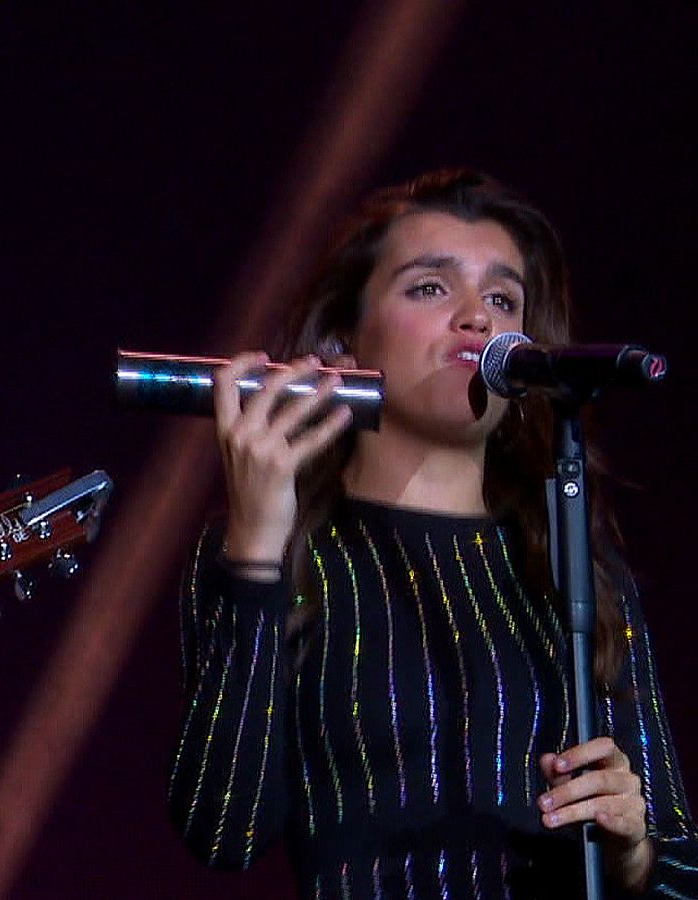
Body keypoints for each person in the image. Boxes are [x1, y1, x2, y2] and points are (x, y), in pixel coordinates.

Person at [167, 168, 696, 897]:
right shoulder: (289, 555)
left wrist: (632, 849)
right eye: (431, 287)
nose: (477, 318)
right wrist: (256, 552)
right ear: (346, 338)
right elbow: (223, 829)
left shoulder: (570, 562)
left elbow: (680, 866)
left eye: (503, 298)